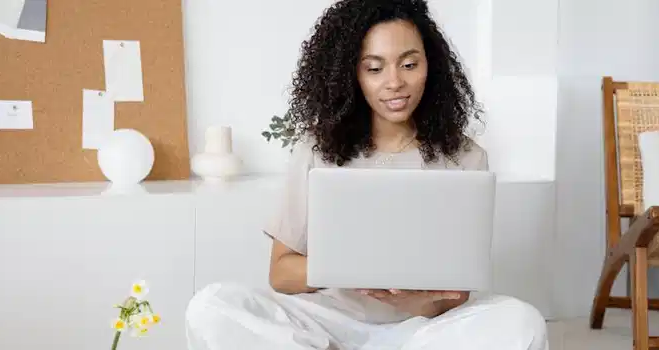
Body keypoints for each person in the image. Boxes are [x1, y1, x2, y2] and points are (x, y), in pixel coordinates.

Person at [185, 0, 549, 349]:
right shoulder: (317, 149)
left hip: (422, 329)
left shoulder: (466, 157)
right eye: (374, 68)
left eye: (409, 64)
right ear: (351, 75)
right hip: (327, 322)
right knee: (213, 306)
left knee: (522, 322)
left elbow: (457, 295)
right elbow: (281, 273)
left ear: (430, 66)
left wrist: (413, 300)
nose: (394, 83)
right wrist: (349, 269)